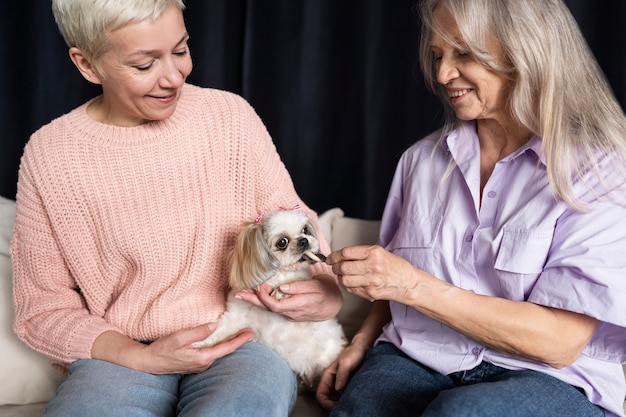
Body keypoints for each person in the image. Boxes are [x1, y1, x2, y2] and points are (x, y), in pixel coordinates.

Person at [11, 1, 342, 416]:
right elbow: (43, 308)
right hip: (124, 356)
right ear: (87, 64)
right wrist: (137, 356)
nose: (173, 77)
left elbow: (297, 225)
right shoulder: (50, 155)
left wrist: (326, 292)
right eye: (144, 64)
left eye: (181, 50)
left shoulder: (230, 118)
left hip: (244, 340)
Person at [316, 0, 626, 416]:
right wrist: (360, 344)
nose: (443, 74)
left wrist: (412, 284)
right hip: (418, 358)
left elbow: (559, 342)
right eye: (438, 55)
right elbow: (388, 285)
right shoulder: (420, 162)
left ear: (526, 49)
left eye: (463, 53)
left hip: (550, 376)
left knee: (463, 413)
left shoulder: (602, 171)